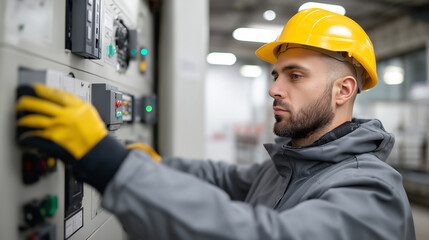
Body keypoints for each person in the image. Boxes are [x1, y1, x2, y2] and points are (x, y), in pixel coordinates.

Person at [16, 8, 415, 240]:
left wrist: (111, 166)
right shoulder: (296, 164)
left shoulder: (372, 193)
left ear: (343, 91)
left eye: (294, 76)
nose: (274, 89)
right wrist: (151, 164)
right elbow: (226, 179)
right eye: (275, 75)